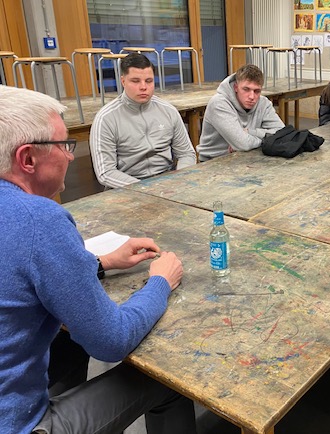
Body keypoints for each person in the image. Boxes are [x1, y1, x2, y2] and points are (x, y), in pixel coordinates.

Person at [0, 85, 196, 433]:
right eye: (63, 145)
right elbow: (112, 340)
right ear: (27, 158)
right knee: (168, 382)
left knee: (69, 341)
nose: (70, 157)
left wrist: (101, 262)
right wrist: (160, 282)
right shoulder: (39, 220)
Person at [90, 53, 196, 189]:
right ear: (123, 81)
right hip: (127, 187)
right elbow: (106, 173)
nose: (143, 87)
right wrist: (145, 188)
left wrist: (179, 179)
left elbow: (186, 153)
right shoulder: (106, 119)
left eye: (149, 81)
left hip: (168, 181)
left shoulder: (168, 111)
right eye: (135, 81)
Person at [197, 64, 284, 161]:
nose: (252, 96)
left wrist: (250, 132)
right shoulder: (219, 103)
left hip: (250, 156)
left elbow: (282, 133)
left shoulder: (264, 103)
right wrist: (268, 140)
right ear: (236, 87)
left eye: (257, 91)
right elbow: (243, 144)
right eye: (246, 89)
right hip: (214, 161)